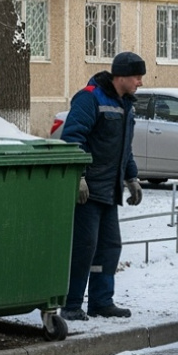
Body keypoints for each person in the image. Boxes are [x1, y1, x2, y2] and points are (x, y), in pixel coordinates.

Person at [60, 51, 148, 321]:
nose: (140, 83)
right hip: (89, 191)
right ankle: (72, 304)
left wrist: (131, 178)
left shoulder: (126, 105)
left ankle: (101, 301)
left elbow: (124, 148)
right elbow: (73, 138)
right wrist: (79, 176)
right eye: (136, 76)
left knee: (108, 247)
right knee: (83, 248)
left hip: (109, 190)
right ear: (120, 76)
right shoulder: (90, 98)